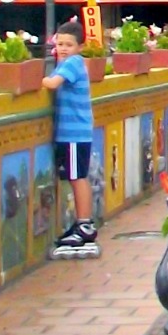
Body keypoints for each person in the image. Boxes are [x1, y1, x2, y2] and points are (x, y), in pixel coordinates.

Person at [45, 25, 99, 258]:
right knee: (76, 176)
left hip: (74, 133)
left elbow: (52, 84)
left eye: (68, 45)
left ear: (80, 47)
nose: (63, 49)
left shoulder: (73, 63)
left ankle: (84, 224)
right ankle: (82, 223)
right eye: (60, 44)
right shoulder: (69, 64)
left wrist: (39, 80)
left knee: (78, 178)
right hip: (73, 133)